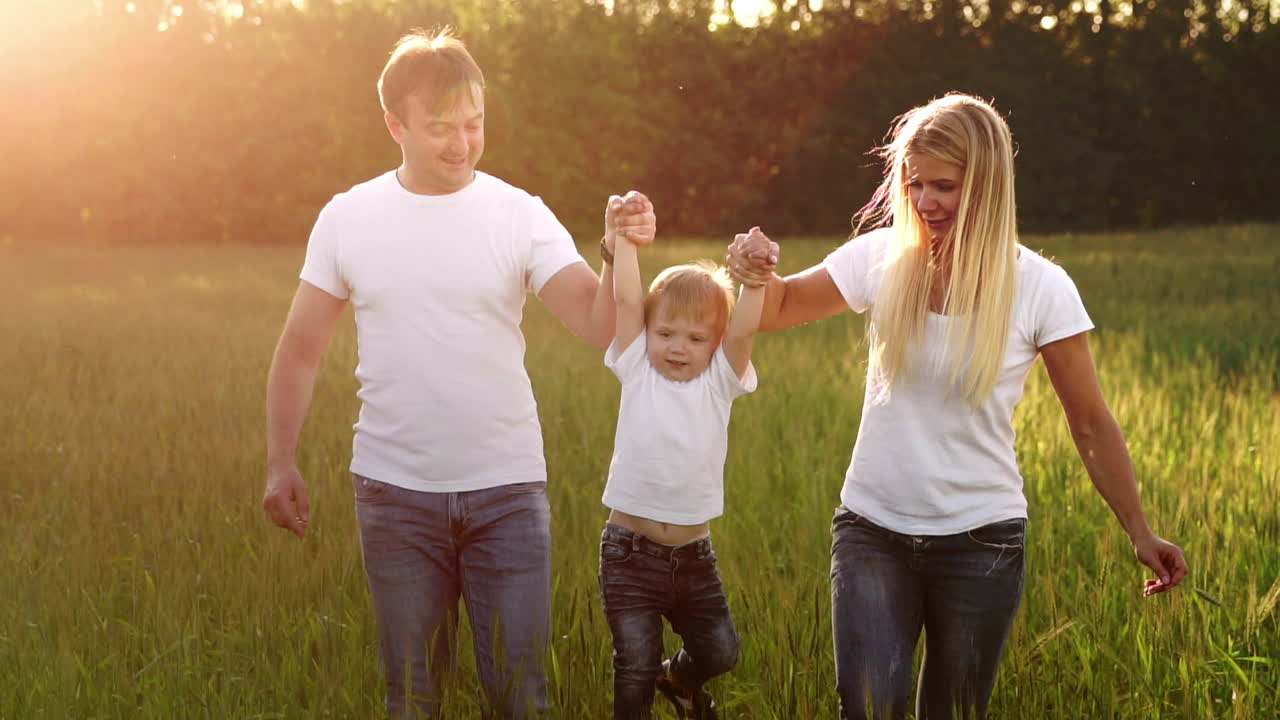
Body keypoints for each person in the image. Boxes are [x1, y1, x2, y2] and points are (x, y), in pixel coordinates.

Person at [726, 93, 1188, 720]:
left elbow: (1089, 422)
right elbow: (776, 308)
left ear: (989, 184)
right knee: (867, 707)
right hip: (871, 530)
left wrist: (1139, 529)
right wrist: (752, 271)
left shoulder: (1041, 288)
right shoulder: (881, 258)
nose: (923, 202)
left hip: (983, 543)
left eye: (943, 186)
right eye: (914, 185)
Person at [261, 29, 656, 719]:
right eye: (440, 128)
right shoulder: (348, 218)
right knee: (411, 696)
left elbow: (600, 327)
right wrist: (280, 462)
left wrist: (618, 251)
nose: (461, 144)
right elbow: (300, 347)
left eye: (473, 125)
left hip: (506, 493)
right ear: (394, 125)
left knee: (521, 698)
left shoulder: (519, 215)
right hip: (393, 495)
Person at [596, 207, 770, 719]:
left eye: (696, 339)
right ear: (647, 330)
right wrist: (625, 240)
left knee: (721, 651)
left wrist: (755, 281)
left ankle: (677, 678)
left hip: (694, 557)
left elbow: (741, 334)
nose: (677, 347)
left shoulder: (720, 381)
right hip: (628, 553)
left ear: (714, 346)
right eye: (666, 332)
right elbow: (628, 297)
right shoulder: (636, 367)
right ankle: (650, 685)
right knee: (633, 666)